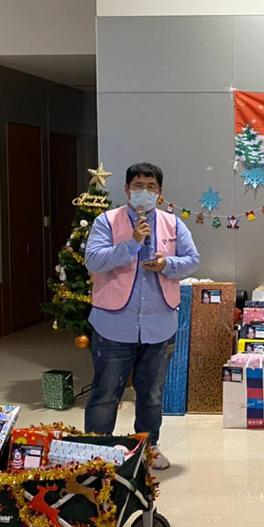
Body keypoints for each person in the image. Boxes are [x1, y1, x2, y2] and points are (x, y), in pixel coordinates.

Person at [84, 162, 200, 470]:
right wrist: (132, 243)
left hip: (159, 324)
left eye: (151, 187)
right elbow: (93, 261)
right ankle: (97, 452)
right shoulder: (106, 221)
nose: (144, 192)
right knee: (106, 393)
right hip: (113, 324)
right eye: (138, 186)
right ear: (127, 189)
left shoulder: (173, 224)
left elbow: (192, 260)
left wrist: (167, 264)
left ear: (160, 193)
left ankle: (148, 447)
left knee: (151, 394)